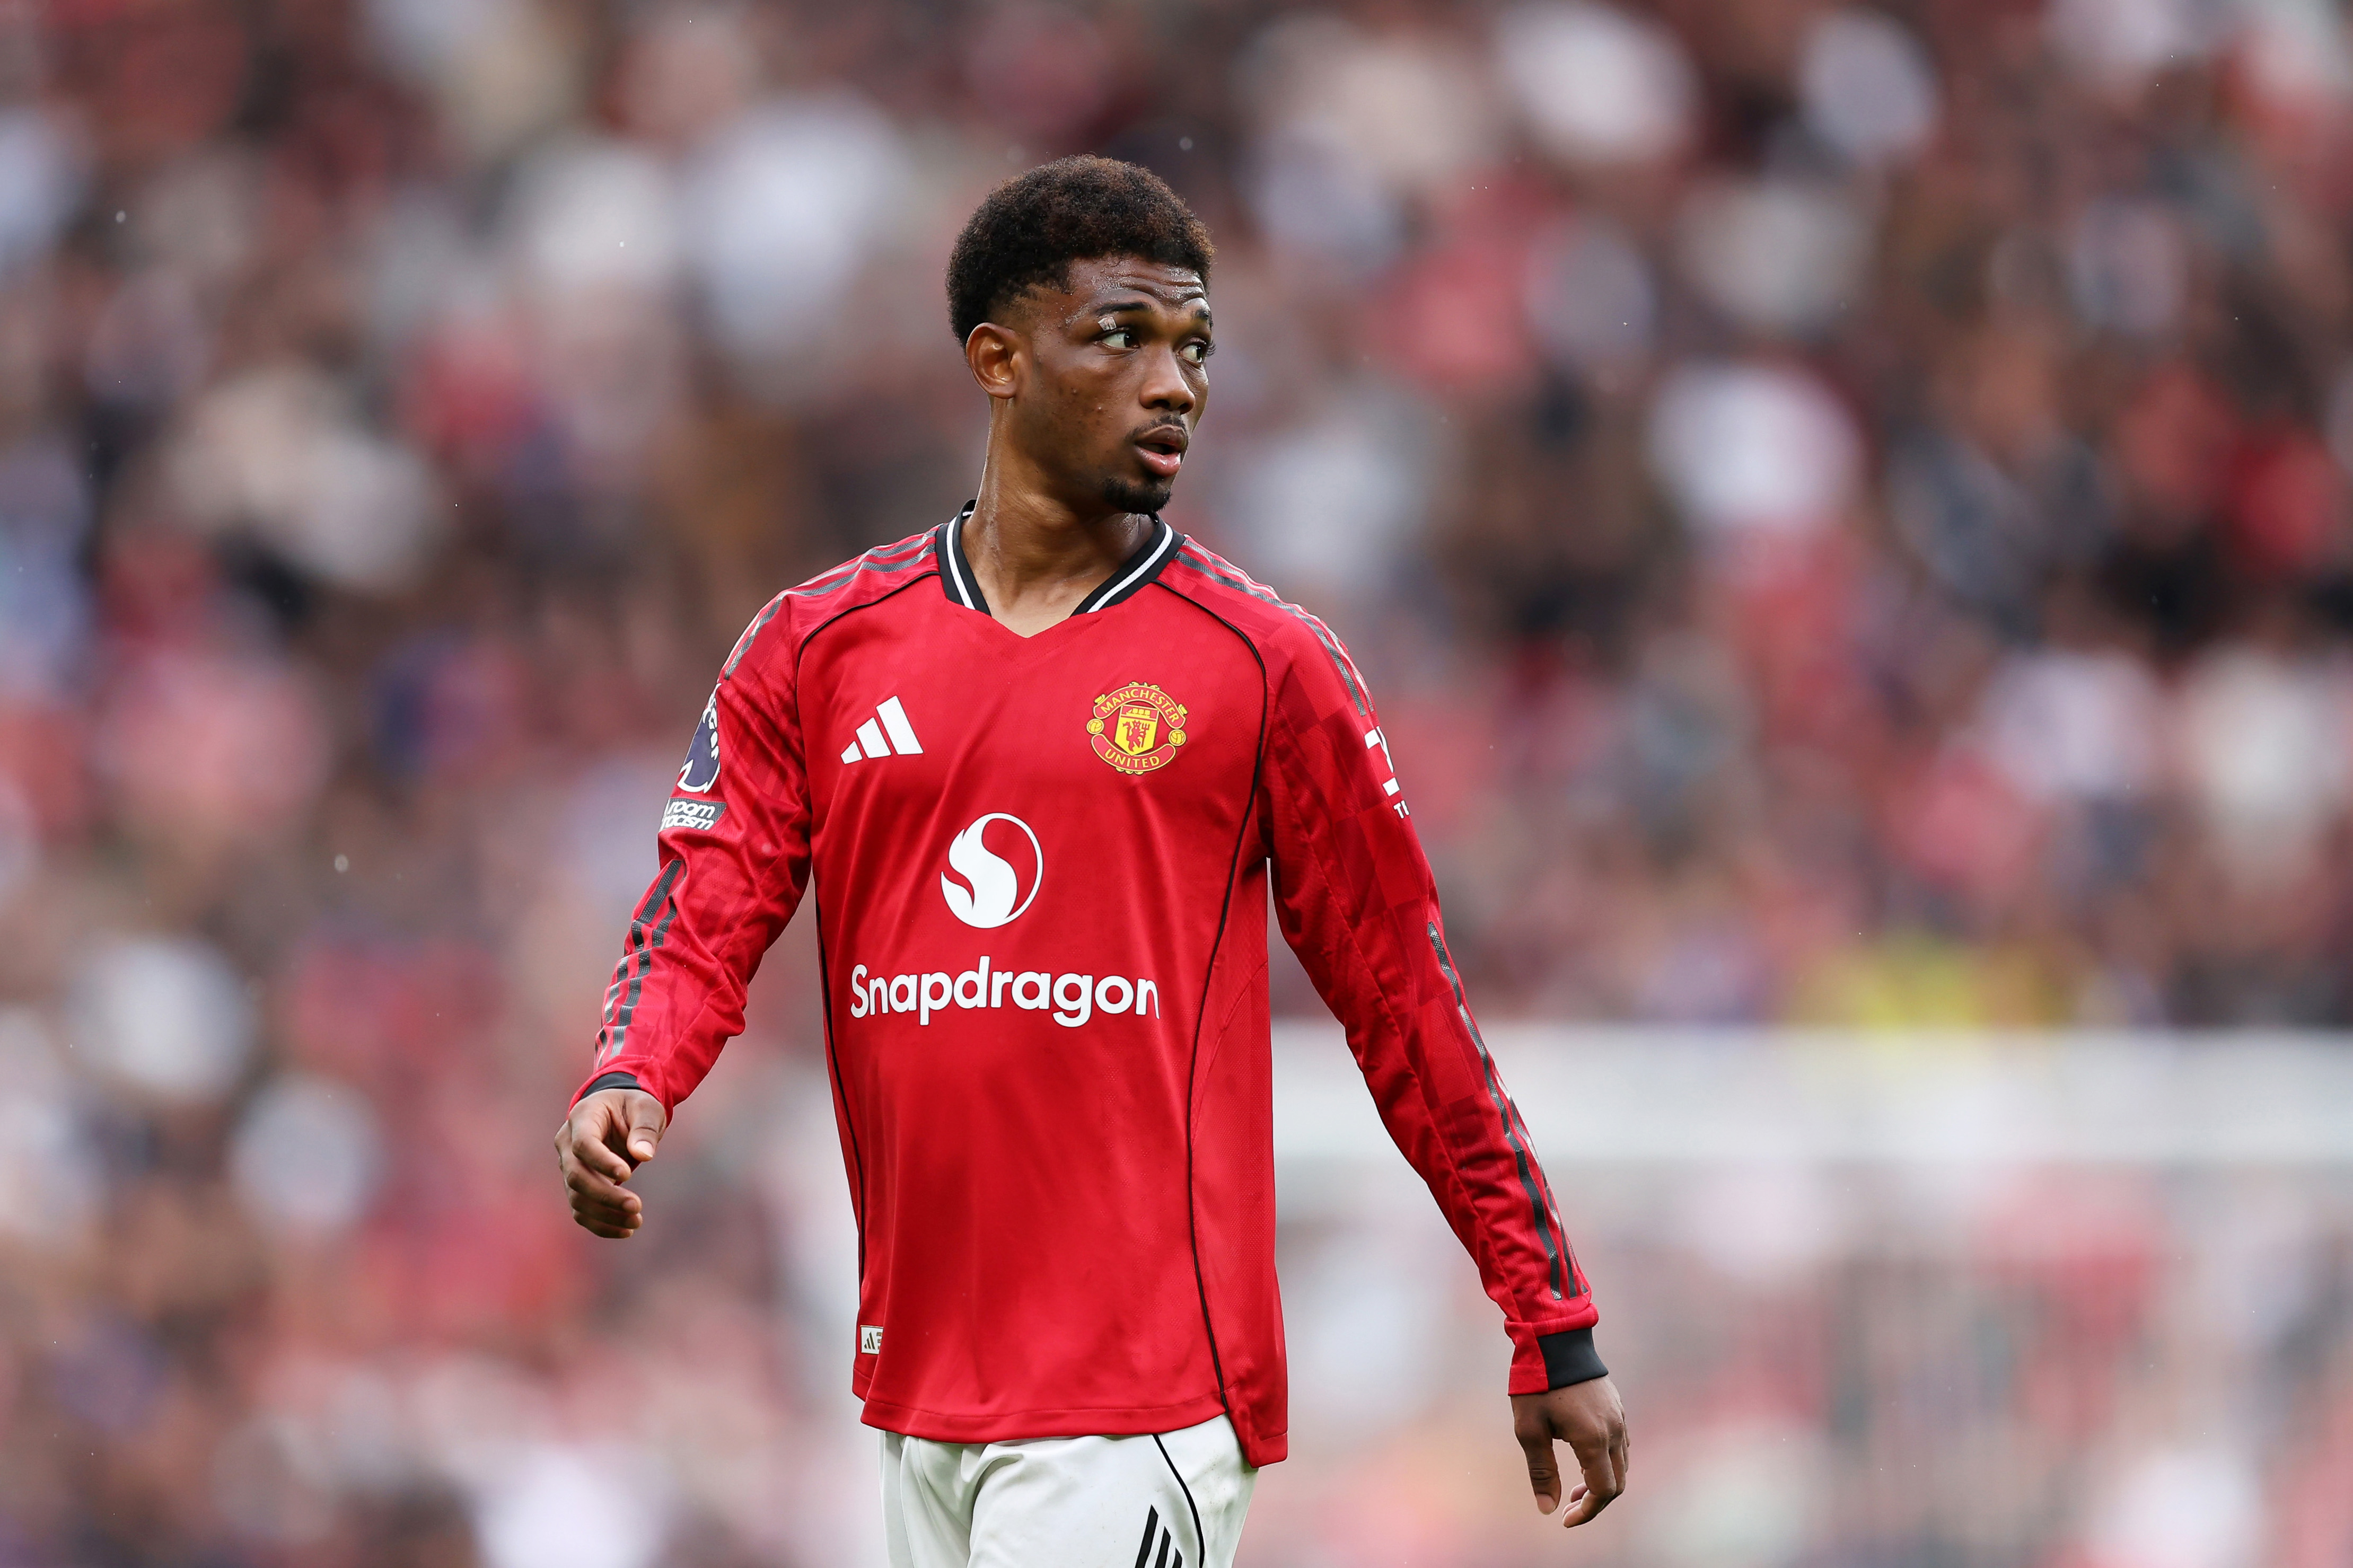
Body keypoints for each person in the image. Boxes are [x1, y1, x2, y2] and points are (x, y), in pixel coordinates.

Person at [554, 155, 1628, 1566]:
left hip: (1143, 1394)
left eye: (1195, 347)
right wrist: (633, 1072)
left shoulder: (1264, 667)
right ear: (998, 359)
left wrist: (1548, 1316)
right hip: (921, 1389)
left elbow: (1409, 1006)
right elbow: (707, 900)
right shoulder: (818, 647)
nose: (1175, 384)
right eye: (1123, 337)